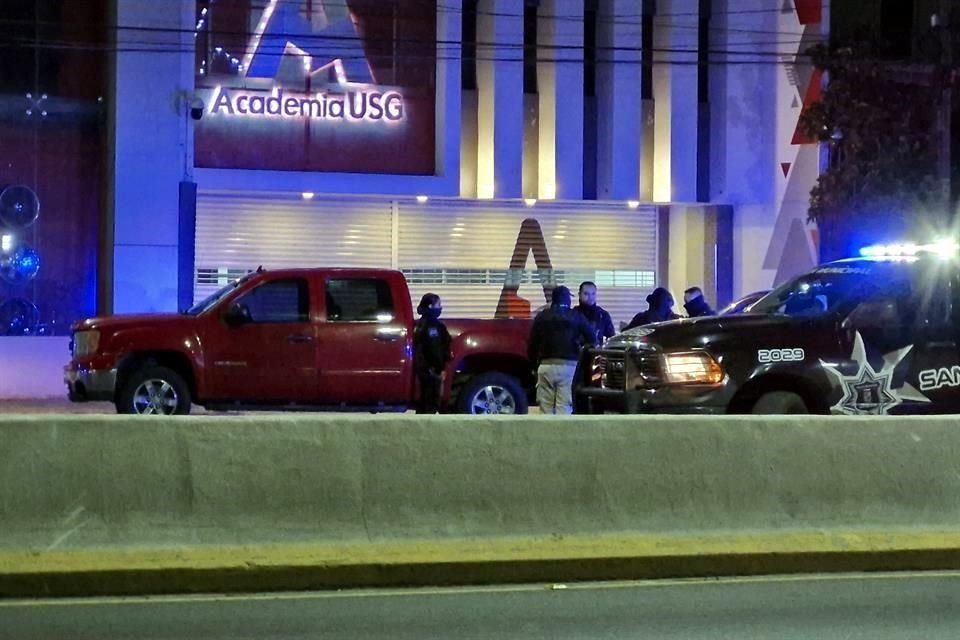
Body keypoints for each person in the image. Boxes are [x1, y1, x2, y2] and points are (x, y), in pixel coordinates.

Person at [527, 285, 596, 414]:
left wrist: (533, 366)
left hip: (545, 366)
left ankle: (545, 432)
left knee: (545, 407)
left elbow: (532, 343)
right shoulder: (576, 316)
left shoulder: (542, 316)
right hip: (568, 366)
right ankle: (561, 433)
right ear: (567, 300)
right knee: (564, 406)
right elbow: (592, 338)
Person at [413, 293, 452, 414]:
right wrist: (440, 367)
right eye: (438, 305)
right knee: (431, 403)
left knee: (424, 401)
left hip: (424, 369)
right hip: (432, 370)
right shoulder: (432, 326)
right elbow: (434, 348)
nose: (440, 308)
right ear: (430, 306)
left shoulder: (420, 324)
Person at [574, 281, 616, 345]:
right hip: (576, 352)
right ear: (579, 294)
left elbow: (611, 338)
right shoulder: (573, 314)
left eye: (593, 294)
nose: (590, 297)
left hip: (598, 352)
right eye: (586, 294)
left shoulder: (603, 315)